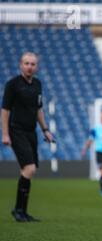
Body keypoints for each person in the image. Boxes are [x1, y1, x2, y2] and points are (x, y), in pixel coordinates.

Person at [1, 52, 55, 222]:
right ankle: (18, 210)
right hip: (16, 131)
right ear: (20, 65)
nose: (29, 66)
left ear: (36, 66)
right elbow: (5, 111)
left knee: (28, 171)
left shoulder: (38, 84)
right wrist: (5, 134)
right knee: (29, 168)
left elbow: (39, 110)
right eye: (26, 63)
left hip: (31, 132)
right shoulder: (13, 85)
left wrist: (45, 129)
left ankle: (22, 211)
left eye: (32, 64)